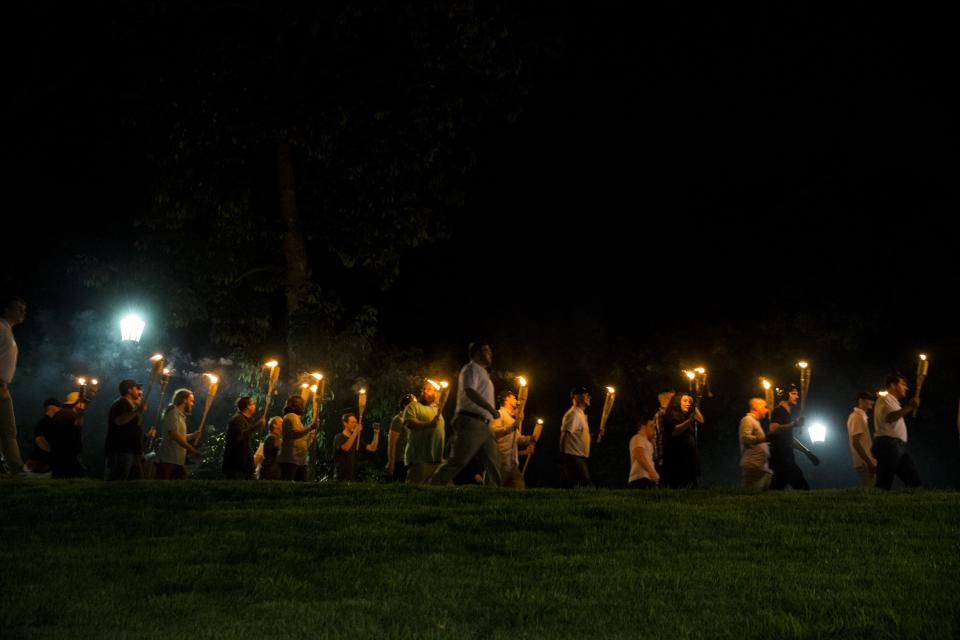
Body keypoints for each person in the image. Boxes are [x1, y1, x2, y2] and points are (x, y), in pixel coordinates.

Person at [429, 341, 502, 486]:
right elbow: (469, 391)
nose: (491, 353)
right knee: (458, 460)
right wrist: (491, 409)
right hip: (471, 421)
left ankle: (493, 494)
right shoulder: (471, 369)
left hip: (485, 425)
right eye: (487, 350)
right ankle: (433, 485)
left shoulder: (483, 373)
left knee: (493, 462)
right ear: (477, 353)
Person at [872, 373, 921, 490]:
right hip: (888, 445)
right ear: (893, 385)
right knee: (884, 483)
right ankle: (876, 505)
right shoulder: (884, 399)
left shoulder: (894, 402)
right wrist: (910, 407)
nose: (906, 388)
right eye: (903, 384)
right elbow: (890, 417)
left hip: (896, 446)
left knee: (914, 481)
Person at [768, 385, 819, 490]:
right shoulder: (778, 411)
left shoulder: (787, 413)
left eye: (797, 394)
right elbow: (774, 429)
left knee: (777, 487)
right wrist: (793, 424)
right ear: (785, 394)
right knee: (801, 486)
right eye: (794, 393)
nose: (797, 397)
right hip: (781, 457)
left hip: (785, 456)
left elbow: (789, 439)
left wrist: (807, 452)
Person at [0, 296, 27, 476]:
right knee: (8, 430)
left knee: (8, 430)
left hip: (3, 387)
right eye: (18, 308)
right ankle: (16, 469)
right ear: (6, 310)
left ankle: (15, 469)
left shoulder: (7, 330)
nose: (22, 312)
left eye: (24, 309)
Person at [490, 390, 537, 489]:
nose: (516, 399)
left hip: (513, 463)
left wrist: (530, 439)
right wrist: (512, 427)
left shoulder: (512, 419)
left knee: (519, 488)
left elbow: (518, 439)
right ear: (506, 399)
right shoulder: (499, 414)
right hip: (501, 461)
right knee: (494, 490)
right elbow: (493, 432)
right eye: (514, 397)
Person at [104, 379, 149, 480]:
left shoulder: (131, 406)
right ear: (129, 390)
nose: (139, 391)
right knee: (118, 483)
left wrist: (145, 437)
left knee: (136, 484)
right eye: (136, 388)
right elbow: (119, 420)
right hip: (121, 450)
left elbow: (132, 430)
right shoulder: (120, 403)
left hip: (133, 451)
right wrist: (137, 411)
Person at [403, 382, 445, 484]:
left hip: (437, 460)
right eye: (427, 389)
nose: (426, 392)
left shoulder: (436, 409)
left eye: (433, 390)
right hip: (419, 460)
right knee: (414, 492)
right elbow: (409, 423)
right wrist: (429, 424)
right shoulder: (413, 406)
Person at [156, 389, 202, 480]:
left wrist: (192, 436)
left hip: (177, 460)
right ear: (184, 400)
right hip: (168, 459)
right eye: (191, 400)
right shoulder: (173, 413)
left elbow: (179, 436)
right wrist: (191, 449)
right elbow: (174, 435)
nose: (192, 404)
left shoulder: (180, 415)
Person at [662, 392, 704, 488]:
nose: (688, 403)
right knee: (680, 485)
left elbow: (701, 420)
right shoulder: (671, 414)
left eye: (689, 401)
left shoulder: (685, 416)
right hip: (678, 459)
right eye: (685, 401)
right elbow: (675, 430)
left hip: (689, 459)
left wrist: (694, 407)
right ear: (677, 402)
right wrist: (689, 421)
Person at [222, 396, 266, 480]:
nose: (255, 406)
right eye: (253, 404)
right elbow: (239, 436)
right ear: (248, 406)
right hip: (236, 465)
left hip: (243, 465)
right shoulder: (237, 419)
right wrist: (256, 426)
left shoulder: (244, 420)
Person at [277, 395, 318, 481]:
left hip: (300, 460)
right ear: (295, 405)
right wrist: (310, 428)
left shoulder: (297, 419)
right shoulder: (291, 416)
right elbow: (294, 434)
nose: (304, 406)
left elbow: (302, 441)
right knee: (287, 486)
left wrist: (310, 436)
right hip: (290, 460)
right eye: (302, 403)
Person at [559, 386, 593, 487]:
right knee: (586, 483)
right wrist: (562, 455)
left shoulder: (581, 414)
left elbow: (578, 436)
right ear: (576, 397)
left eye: (588, 395)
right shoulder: (573, 414)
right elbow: (565, 434)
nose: (588, 397)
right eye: (585, 395)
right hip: (573, 456)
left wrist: (595, 435)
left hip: (578, 456)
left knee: (574, 484)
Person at [49, 392, 87, 478]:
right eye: (81, 402)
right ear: (76, 403)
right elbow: (77, 426)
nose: (83, 404)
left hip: (60, 451)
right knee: (75, 475)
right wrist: (81, 414)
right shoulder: (69, 414)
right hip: (66, 451)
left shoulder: (62, 413)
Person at [333, 413, 380, 481]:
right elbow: (345, 448)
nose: (355, 424)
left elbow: (372, 448)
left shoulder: (356, 440)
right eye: (352, 422)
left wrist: (376, 433)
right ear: (345, 423)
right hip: (340, 478)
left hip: (352, 478)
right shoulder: (338, 437)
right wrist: (355, 432)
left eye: (356, 422)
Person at [739, 398, 771, 491]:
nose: (767, 410)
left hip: (761, 467)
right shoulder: (747, 420)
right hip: (753, 466)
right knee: (750, 498)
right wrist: (765, 439)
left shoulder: (756, 422)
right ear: (755, 408)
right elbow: (745, 438)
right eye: (764, 407)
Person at [847, 391, 877, 487]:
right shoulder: (857, 417)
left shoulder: (861, 416)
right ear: (861, 401)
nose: (872, 402)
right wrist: (869, 462)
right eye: (870, 400)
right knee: (872, 489)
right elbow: (856, 442)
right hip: (864, 463)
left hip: (866, 461)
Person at [385, 393, 416, 482]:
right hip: (400, 461)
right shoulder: (398, 420)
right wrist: (391, 463)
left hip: (410, 460)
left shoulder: (412, 420)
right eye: (413, 404)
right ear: (405, 405)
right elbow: (392, 443)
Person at [26, 398, 60, 474]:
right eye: (58, 409)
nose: (59, 412)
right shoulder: (44, 422)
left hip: (43, 462)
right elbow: (40, 441)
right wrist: (56, 454)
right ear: (51, 407)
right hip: (39, 463)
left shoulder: (50, 422)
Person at [651, 388, 675, 485]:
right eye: (671, 398)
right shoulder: (661, 415)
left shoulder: (666, 415)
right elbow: (661, 436)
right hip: (663, 455)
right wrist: (661, 457)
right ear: (664, 400)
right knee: (665, 481)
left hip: (664, 455)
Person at [628, 416, 659, 489]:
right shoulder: (638, 438)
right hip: (640, 479)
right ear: (643, 426)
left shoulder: (644, 441)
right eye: (651, 426)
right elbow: (639, 454)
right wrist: (651, 471)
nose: (653, 430)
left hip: (645, 478)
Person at [255, 416, 283, 481]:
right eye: (281, 422)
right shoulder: (271, 437)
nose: (283, 423)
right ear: (275, 425)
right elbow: (279, 446)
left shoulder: (276, 437)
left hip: (272, 470)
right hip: (269, 470)